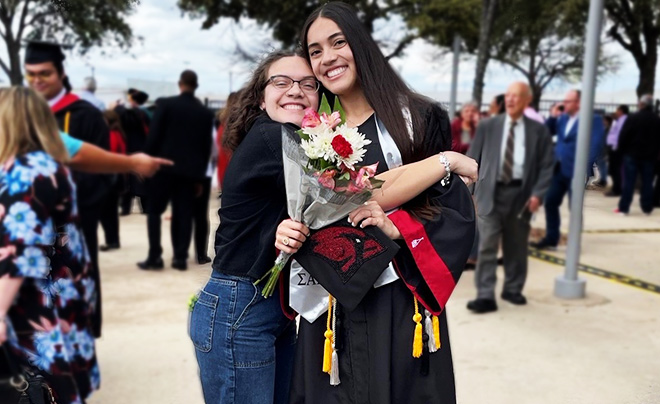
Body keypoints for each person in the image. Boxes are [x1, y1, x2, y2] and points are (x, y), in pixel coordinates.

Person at [188, 48, 477, 403]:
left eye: (307, 84)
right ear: (260, 98)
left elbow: (320, 205)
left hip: (267, 309)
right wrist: (445, 161)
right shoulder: (272, 138)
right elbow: (356, 193)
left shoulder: (296, 141)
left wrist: (281, 230)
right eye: (281, 81)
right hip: (239, 306)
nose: (295, 90)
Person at [291, 3, 476, 403]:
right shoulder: (308, 132)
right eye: (316, 50)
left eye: (338, 42)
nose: (328, 58)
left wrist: (402, 226)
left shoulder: (417, 117)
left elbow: (453, 207)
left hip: (396, 297)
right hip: (330, 302)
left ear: (359, 44)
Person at [0, 86, 99, 404]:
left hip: (25, 296)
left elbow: (21, 249)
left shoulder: (28, 173)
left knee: (33, 383)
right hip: (49, 290)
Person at [24, 40, 110, 338]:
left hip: (74, 216)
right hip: (30, 223)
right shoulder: (23, 115)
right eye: (31, 74)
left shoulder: (85, 114)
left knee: (78, 277)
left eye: (44, 73)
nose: (37, 81)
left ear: (59, 73)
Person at [466, 82, 554, 313]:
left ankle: (513, 289)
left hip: (521, 196)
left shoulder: (538, 131)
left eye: (517, 96)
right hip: (490, 193)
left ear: (527, 101)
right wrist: (470, 193)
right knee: (487, 246)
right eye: (508, 95)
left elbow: (547, 166)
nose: (511, 100)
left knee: (516, 246)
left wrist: (538, 194)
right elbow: (472, 160)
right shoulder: (488, 126)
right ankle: (485, 295)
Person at [139, 70, 214, 271]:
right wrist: (199, 177)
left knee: (154, 212)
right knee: (183, 213)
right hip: (189, 172)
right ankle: (180, 258)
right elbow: (204, 147)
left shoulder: (165, 104)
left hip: (163, 168)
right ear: (195, 86)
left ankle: (155, 256)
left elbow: (154, 136)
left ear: (180, 84)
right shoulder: (205, 113)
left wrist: (146, 160)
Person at [531, 89, 605, 251]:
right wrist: (552, 116)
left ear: (578, 102)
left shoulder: (593, 119)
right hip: (559, 169)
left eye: (568, 101)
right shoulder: (563, 118)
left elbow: (595, 145)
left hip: (576, 171)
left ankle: (574, 243)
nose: (564, 105)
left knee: (575, 207)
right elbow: (546, 132)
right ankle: (551, 239)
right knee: (551, 202)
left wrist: (585, 168)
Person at [616, 94, 660, 215]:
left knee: (629, 181)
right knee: (647, 182)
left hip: (632, 154)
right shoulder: (657, 119)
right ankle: (647, 207)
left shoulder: (633, 117)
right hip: (650, 156)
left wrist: (621, 150)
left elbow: (624, 135)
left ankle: (624, 207)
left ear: (641, 104)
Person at [115, 89, 152, 215]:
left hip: (128, 149)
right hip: (142, 149)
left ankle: (126, 208)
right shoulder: (146, 113)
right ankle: (145, 208)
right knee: (142, 181)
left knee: (128, 181)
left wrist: (118, 106)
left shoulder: (129, 113)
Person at [99, 110, 127, 252]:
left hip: (110, 176)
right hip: (118, 176)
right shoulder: (119, 133)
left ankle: (111, 241)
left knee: (106, 212)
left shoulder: (110, 135)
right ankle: (113, 240)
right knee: (111, 212)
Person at [604, 105, 629, 197]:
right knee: (614, 169)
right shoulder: (619, 120)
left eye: (617, 110)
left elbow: (619, 133)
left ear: (621, 111)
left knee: (616, 169)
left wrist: (615, 146)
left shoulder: (623, 120)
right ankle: (616, 188)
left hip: (616, 148)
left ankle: (617, 189)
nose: (616, 112)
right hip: (615, 147)